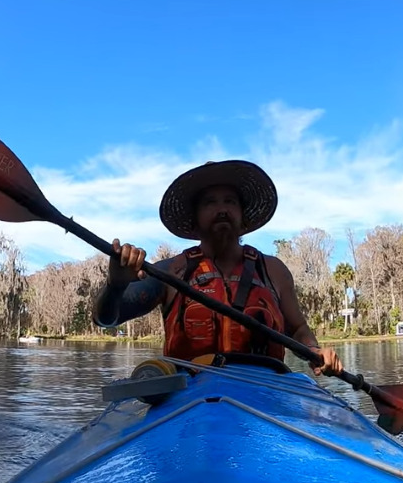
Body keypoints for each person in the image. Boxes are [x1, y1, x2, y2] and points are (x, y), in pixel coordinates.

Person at [93, 159, 342, 376]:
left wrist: (314, 351)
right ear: (195, 217)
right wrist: (116, 285)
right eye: (210, 203)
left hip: (266, 393)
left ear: (242, 215)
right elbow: (106, 319)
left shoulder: (274, 270)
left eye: (230, 202)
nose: (222, 209)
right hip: (189, 396)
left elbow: (298, 328)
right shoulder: (171, 271)